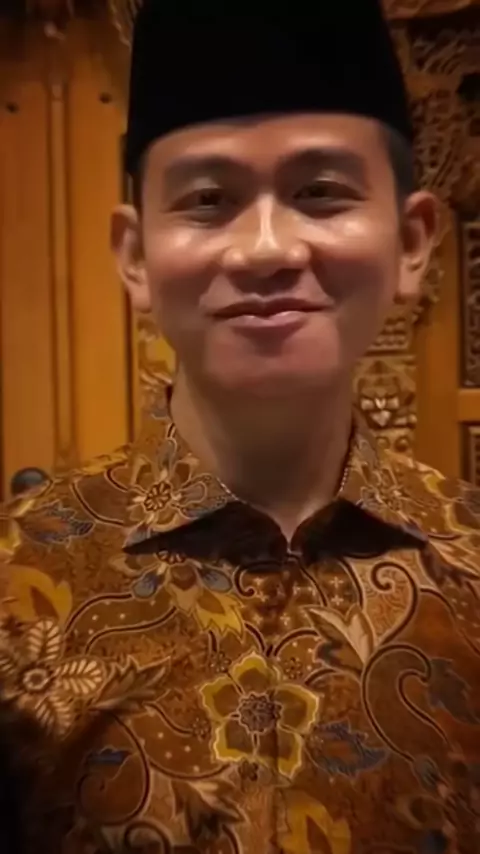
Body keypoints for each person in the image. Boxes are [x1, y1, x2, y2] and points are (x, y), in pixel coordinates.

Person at [0, 2, 479, 852]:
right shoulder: (15, 586)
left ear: (412, 242)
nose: (265, 249)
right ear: (135, 256)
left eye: (320, 192)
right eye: (209, 199)